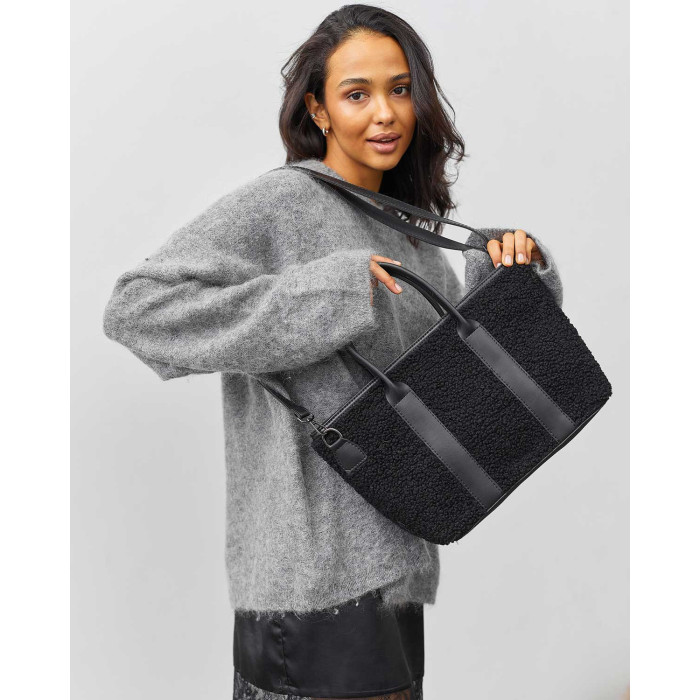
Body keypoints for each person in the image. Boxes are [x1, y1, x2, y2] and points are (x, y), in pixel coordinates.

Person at [102, 5, 564, 698]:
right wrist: (327, 295)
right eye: (356, 94)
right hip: (308, 586)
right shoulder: (282, 203)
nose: (385, 113)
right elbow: (138, 309)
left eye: (400, 89)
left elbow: (465, 400)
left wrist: (512, 276)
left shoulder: (409, 231)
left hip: (397, 574)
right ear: (317, 109)